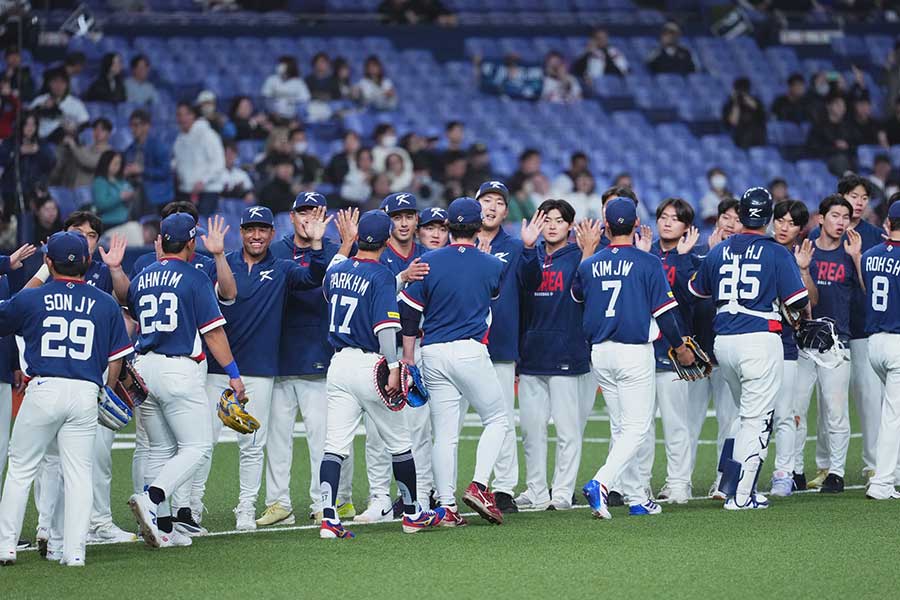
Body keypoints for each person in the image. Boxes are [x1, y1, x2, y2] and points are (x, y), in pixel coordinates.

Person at [0, 232, 131, 566]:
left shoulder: (32, 299)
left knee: (20, 469)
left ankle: (5, 547)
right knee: (78, 473)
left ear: (48, 262)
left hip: (44, 389)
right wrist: (105, 390)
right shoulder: (105, 302)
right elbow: (118, 354)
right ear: (87, 263)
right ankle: (74, 552)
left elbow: (8, 314)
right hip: (86, 392)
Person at [318, 209, 447, 539]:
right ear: (387, 240)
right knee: (400, 443)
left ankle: (329, 518)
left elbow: (329, 277)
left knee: (334, 445)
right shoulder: (381, 276)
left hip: (338, 365)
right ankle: (412, 513)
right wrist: (393, 368)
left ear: (359, 237)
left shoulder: (337, 271)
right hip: (369, 364)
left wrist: (345, 245)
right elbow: (387, 329)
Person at [199, 205, 328, 530]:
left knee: (252, 445)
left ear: (272, 234)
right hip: (218, 368)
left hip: (259, 370)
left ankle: (245, 508)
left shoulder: (283, 269)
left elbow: (316, 277)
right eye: (250, 229)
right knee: (202, 442)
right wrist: (216, 256)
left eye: (262, 229)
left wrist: (316, 244)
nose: (256, 235)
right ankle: (190, 508)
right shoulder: (221, 263)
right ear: (241, 232)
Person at [127, 213, 245, 549]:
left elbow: (135, 317)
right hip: (178, 368)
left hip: (143, 367)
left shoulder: (143, 276)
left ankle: (163, 526)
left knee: (160, 448)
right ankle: (152, 499)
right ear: (191, 243)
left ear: (161, 241)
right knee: (197, 446)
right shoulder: (194, 279)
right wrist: (234, 374)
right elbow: (214, 332)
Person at [689, 187, 810, 510]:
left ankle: (733, 486)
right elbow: (798, 300)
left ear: (740, 213)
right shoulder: (775, 251)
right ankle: (741, 495)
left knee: (744, 417)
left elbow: (697, 290)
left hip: (724, 340)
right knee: (757, 420)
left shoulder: (719, 250)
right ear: (768, 217)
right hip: (759, 337)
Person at [398, 197, 512, 525]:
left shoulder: (428, 261)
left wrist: (408, 358)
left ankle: (446, 506)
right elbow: (490, 295)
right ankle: (478, 484)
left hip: (432, 350)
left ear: (448, 226)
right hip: (469, 349)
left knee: (444, 434)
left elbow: (409, 312)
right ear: (478, 228)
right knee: (498, 419)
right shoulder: (493, 264)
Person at [578, 197, 693, 519]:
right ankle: (601, 482)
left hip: (600, 351)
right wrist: (681, 347)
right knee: (638, 427)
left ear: (606, 225)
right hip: (632, 351)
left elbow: (576, 295)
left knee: (621, 426)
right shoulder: (647, 262)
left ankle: (636, 496)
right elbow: (666, 313)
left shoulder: (589, 264)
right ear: (635, 223)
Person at [261, 195, 357, 527]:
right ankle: (278, 502)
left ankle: (324, 501)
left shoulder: (336, 249)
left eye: (316, 211)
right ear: (291, 216)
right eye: (303, 211)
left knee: (324, 436)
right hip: (279, 353)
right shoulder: (275, 251)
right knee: (277, 437)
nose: (309, 217)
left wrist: (340, 247)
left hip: (320, 353)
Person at [353, 192, 430, 524]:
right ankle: (379, 497)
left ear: (416, 220)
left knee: (419, 428)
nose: (403, 222)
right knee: (376, 431)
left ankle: (418, 495)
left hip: (418, 349)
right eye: (396, 216)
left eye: (409, 215)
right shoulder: (376, 256)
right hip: (380, 352)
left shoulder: (427, 255)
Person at [516, 199, 594, 511]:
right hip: (532, 354)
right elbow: (526, 282)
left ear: (570, 227)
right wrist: (527, 248)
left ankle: (561, 492)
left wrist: (587, 254)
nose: (551, 225)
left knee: (567, 431)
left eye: (559, 220)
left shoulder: (580, 257)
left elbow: (586, 292)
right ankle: (536, 490)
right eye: (546, 219)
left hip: (566, 354)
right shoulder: (530, 256)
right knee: (531, 432)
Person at [807, 174, 885, 483]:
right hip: (827, 332)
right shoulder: (816, 236)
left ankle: (873, 464)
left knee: (868, 397)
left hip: (863, 327)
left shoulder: (874, 235)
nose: (859, 202)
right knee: (828, 402)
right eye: (854, 196)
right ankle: (824, 465)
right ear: (840, 197)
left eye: (864, 198)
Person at [474, 181, 543, 513]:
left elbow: (533, 283)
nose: (491, 206)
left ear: (506, 210)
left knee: (500, 416)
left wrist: (530, 250)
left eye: (498, 202)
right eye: (485, 200)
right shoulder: (459, 241)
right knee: (448, 420)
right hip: (459, 343)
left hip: (499, 343)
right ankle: (438, 489)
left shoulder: (516, 246)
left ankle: (502, 488)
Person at [794, 195, 862, 494]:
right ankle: (795, 469)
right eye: (835, 215)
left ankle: (836, 471)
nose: (841, 222)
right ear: (820, 218)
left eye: (845, 217)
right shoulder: (804, 249)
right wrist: (804, 268)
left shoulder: (851, 253)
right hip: (804, 340)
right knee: (795, 409)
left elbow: (868, 291)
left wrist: (859, 258)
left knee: (835, 411)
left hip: (837, 342)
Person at [646, 198, 702, 504]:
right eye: (664, 217)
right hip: (643, 348)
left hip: (674, 350)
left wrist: (682, 259)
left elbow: (688, 299)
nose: (667, 222)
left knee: (676, 422)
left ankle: (679, 483)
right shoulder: (646, 252)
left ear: (686, 227)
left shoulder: (693, 259)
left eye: (675, 219)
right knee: (641, 424)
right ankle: (640, 484)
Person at [769, 200, 817, 496]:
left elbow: (810, 305)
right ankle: (742, 474)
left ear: (800, 229)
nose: (784, 227)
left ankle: (784, 474)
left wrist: (803, 270)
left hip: (786, 344)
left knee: (786, 414)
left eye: (791, 223)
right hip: (758, 342)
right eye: (780, 220)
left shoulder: (796, 257)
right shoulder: (763, 250)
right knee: (750, 415)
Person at [861, 201, 900, 500]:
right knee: (893, 416)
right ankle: (882, 482)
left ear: (889, 222)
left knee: (891, 413)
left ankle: (891, 473)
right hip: (898, 343)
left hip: (874, 343)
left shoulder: (869, 256)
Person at [173, 102, 226, 217]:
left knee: (203, 228)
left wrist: (203, 181)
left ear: (194, 116)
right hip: (186, 191)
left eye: (187, 114)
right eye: (179, 115)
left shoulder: (208, 135)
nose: (183, 118)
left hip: (208, 191)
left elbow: (218, 163)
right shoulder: (179, 140)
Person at [0, 111, 55, 220]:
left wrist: (38, 151)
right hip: (12, 189)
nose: (30, 128)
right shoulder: (10, 142)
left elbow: (51, 163)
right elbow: (2, 159)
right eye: (27, 124)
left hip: (34, 190)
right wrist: (19, 152)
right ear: (21, 125)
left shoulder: (41, 144)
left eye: (33, 124)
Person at [124, 109, 174, 216]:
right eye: (132, 125)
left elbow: (165, 172)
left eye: (137, 125)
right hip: (136, 195)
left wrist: (142, 170)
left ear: (147, 126)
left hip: (157, 196)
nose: (133, 129)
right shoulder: (130, 149)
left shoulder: (159, 146)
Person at [91, 150, 142, 244]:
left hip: (125, 221)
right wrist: (120, 197)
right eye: (114, 163)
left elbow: (129, 190)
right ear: (106, 163)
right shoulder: (100, 182)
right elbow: (101, 204)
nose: (116, 166)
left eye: (118, 163)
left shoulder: (120, 181)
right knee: (134, 230)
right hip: (109, 224)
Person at [53, 117, 112, 197]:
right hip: (70, 189)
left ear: (109, 133)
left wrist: (73, 145)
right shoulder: (85, 148)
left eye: (102, 130)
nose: (98, 132)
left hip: (88, 193)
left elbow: (89, 162)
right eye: (95, 129)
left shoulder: (109, 153)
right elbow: (66, 160)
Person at [806, 93, 859, 176]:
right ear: (829, 106)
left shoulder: (848, 127)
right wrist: (835, 146)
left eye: (843, 106)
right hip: (827, 159)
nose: (841, 108)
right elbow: (813, 147)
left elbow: (855, 143)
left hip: (848, 159)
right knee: (840, 160)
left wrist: (847, 145)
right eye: (837, 105)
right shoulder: (819, 126)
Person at [29, 68, 89, 141]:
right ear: (49, 84)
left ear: (67, 85)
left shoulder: (75, 103)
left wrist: (75, 128)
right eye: (55, 82)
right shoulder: (40, 100)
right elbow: (27, 119)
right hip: (41, 139)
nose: (58, 86)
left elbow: (85, 123)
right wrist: (41, 107)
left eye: (62, 82)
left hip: (64, 140)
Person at [722, 77, 767, 149]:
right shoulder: (730, 104)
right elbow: (732, 122)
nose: (742, 94)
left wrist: (749, 101)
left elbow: (762, 115)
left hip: (757, 136)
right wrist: (736, 104)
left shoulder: (754, 102)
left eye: (744, 90)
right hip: (738, 136)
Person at [261, 56, 310, 121]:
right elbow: (266, 99)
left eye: (282, 64)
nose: (279, 66)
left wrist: (296, 118)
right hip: (272, 116)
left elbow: (303, 103)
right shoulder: (271, 79)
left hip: (292, 118)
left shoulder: (299, 82)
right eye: (279, 64)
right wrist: (273, 113)